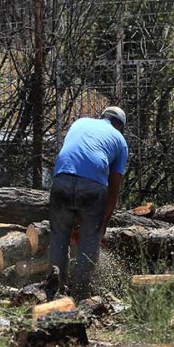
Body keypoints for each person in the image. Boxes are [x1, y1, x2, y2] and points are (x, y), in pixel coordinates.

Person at [47, 106, 128, 298]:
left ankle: (53, 291)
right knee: (89, 243)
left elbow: (73, 157)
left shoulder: (80, 123)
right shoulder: (120, 141)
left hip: (61, 180)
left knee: (59, 237)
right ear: (120, 126)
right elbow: (113, 189)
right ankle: (81, 296)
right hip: (93, 187)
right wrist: (102, 226)